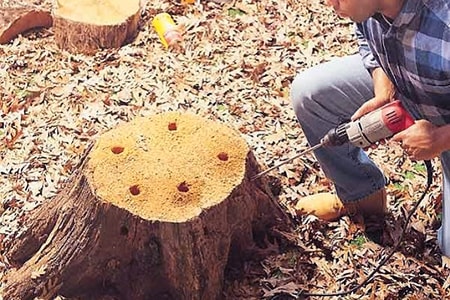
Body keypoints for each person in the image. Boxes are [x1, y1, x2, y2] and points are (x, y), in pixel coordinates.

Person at [290, 0, 450, 255]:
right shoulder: (367, 7)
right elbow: (369, 45)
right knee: (310, 94)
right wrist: (383, 91)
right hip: (408, 85)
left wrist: (441, 138)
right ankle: (362, 198)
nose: (329, 3)